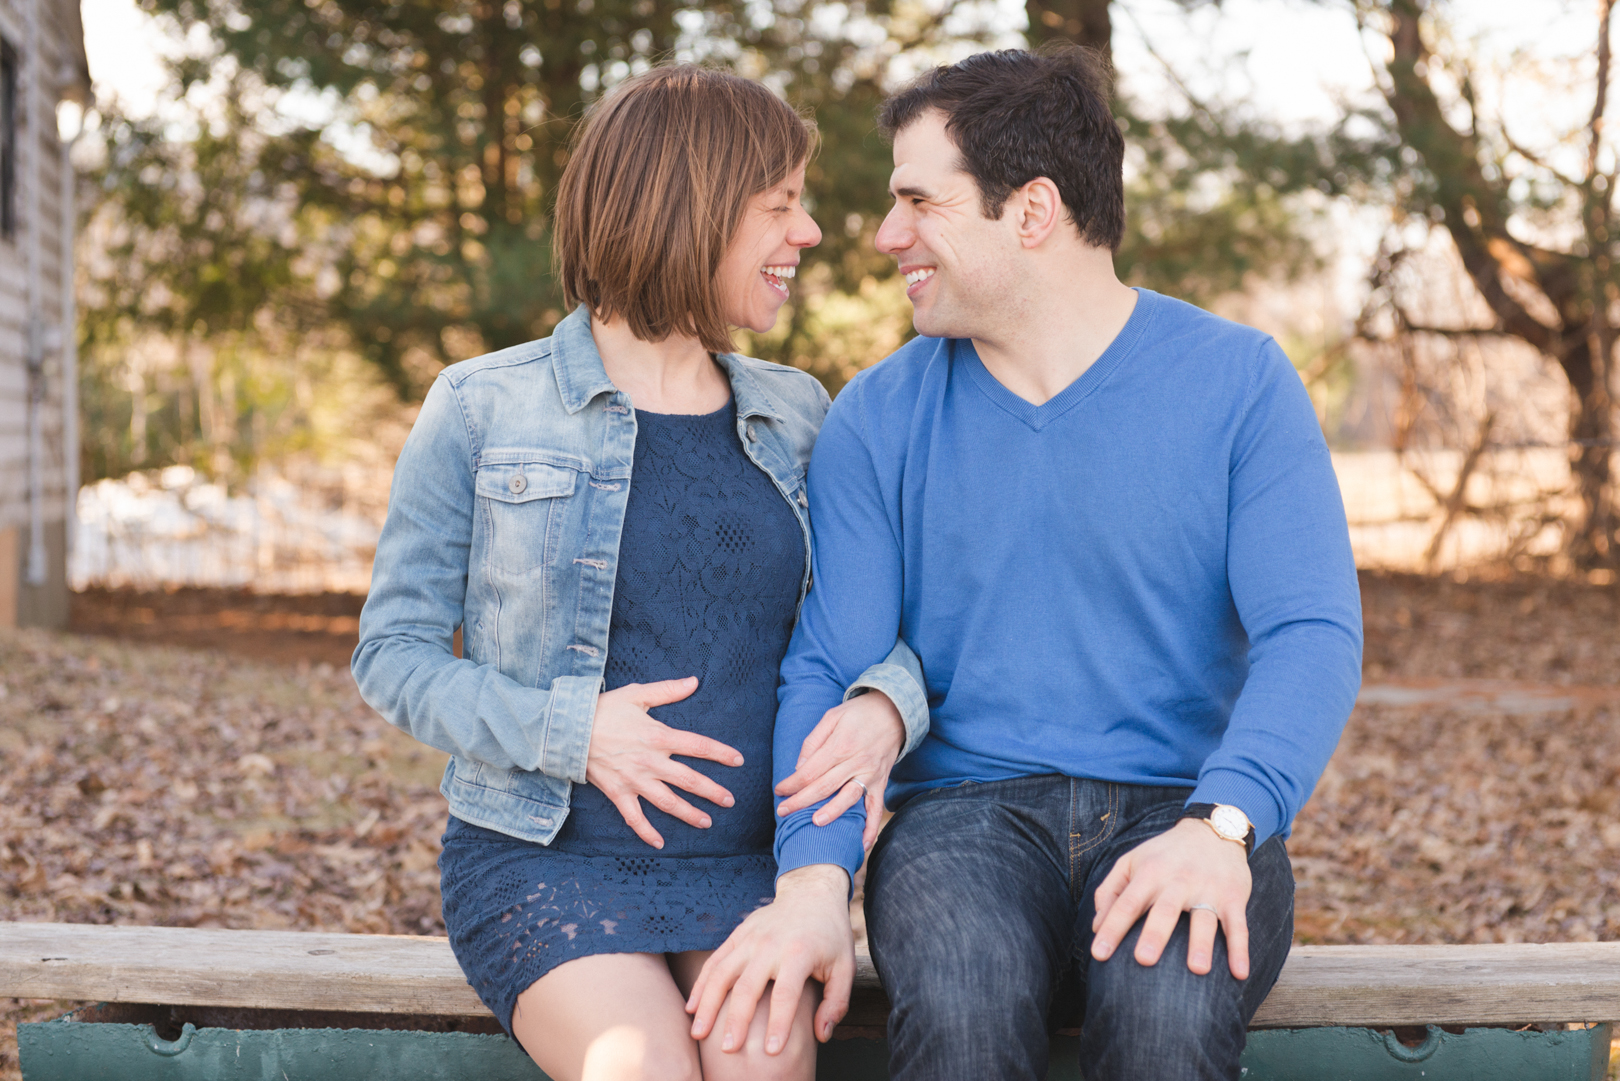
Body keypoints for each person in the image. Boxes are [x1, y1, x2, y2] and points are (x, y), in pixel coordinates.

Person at [686, 47, 1364, 1081]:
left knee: (1168, 1014)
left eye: (919, 200)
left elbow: (1310, 635)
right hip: (965, 823)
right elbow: (829, 666)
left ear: (1033, 211)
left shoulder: (1238, 384)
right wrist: (814, 883)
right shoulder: (879, 416)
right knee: (963, 997)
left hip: (1187, 807)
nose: (884, 235)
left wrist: (1224, 825)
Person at [352, 65, 931, 1081]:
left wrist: (886, 706)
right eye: (780, 207)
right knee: (642, 1066)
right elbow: (393, 656)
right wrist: (572, 730)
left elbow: (884, 628)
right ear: (691, 208)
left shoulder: (801, 413)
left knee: (759, 1062)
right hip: (546, 857)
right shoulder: (484, 407)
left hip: (754, 868)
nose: (809, 235)